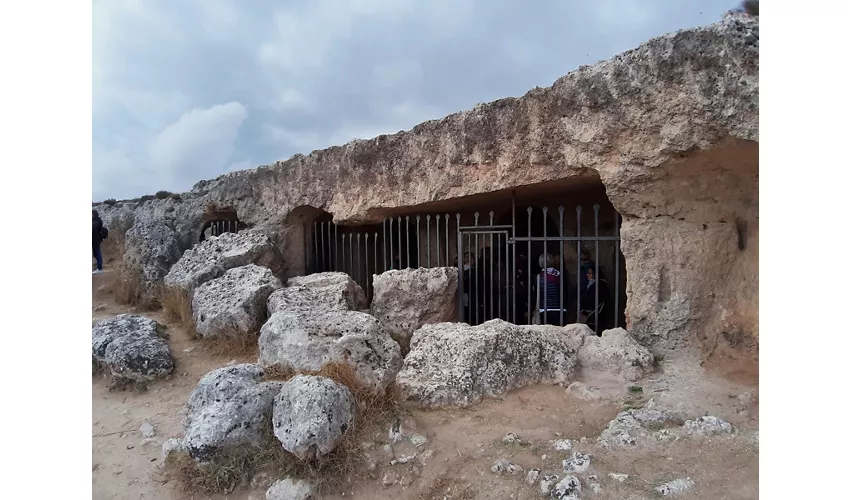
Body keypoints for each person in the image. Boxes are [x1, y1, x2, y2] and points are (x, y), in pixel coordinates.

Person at [535, 253, 566, 326]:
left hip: (544, 310)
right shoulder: (560, 275)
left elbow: (536, 294)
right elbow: (565, 292)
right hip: (560, 309)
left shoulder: (539, 277)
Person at [580, 267, 609, 331]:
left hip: (593, 314)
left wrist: (584, 309)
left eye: (590, 273)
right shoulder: (593, 284)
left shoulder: (598, 285)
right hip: (592, 313)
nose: (587, 275)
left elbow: (594, 300)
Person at [92, 210, 106, 274]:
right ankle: (98, 266)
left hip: (96, 239)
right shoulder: (96, 220)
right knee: (96, 253)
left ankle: (99, 268)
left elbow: (94, 229)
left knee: (97, 253)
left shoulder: (97, 221)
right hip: (95, 239)